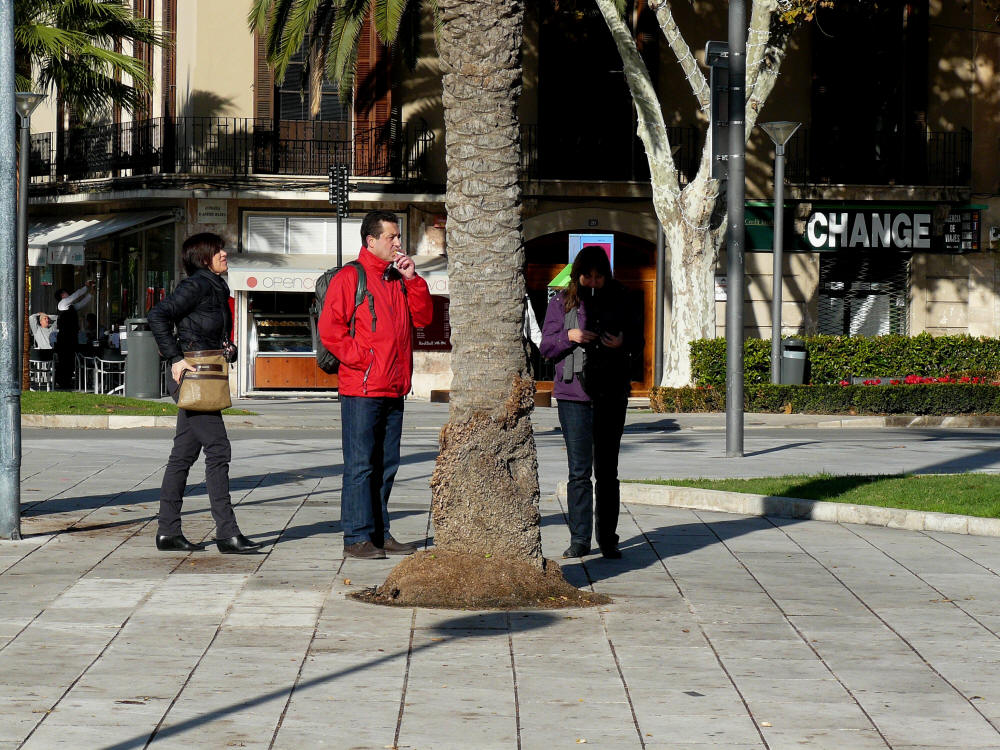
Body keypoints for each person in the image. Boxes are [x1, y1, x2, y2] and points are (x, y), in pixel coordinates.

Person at [319, 210, 434, 559]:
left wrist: (413, 279)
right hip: (362, 389)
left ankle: (380, 533)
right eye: (392, 237)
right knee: (360, 466)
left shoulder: (397, 278)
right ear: (371, 241)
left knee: (386, 466)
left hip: (393, 387)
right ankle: (356, 537)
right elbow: (330, 331)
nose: (398, 242)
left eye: (399, 237)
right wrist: (364, 359)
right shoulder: (350, 277)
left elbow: (425, 319)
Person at [148, 232, 261, 555]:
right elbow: (158, 315)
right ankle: (227, 532)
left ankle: (168, 531)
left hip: (207, 374)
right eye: (218, 250)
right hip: (192, 376)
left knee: (183, 454)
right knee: (218, 449)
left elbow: (204, 328)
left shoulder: (214, 286)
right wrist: (175, 357)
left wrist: (228, 347)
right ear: (203, 258)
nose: (225, 253)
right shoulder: (196, 285)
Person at [540, 245, 641, 560]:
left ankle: (608, 538)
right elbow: (545, 348)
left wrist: (623, 342)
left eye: (599, 277)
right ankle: (580, 540)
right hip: (574, 395)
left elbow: (639, 342)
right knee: (579, 471)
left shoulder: (623, 298)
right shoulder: (561, 302)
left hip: (611, 393)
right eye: (588, 277)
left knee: (608, 471)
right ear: (578, 275)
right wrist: (568, 337)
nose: (593, 283)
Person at [53, 283, 92, 388]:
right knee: (64, 360)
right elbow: (75, 296)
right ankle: (62, 381)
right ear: (62, 295)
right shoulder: (62, 304)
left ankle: (66, 381)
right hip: (64, 337)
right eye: (66, 293)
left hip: (71, 337)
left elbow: (82, 303)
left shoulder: (70, 307)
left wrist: (90, 294)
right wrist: (86, 287)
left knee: (69, 360)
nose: (68, 294)